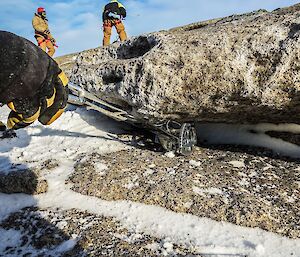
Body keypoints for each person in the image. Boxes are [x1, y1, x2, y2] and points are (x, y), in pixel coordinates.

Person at [0, 31, 68, 137]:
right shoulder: (37, 19)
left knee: (50, 49)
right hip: (41, 39)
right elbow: (40, 29)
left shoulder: (43, 19)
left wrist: (20, 57)